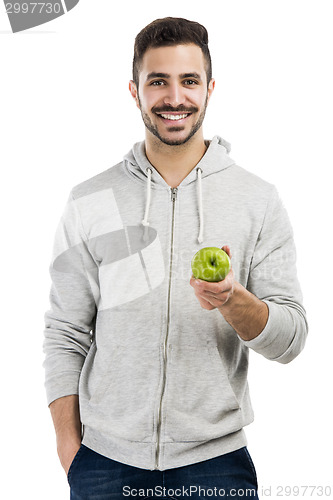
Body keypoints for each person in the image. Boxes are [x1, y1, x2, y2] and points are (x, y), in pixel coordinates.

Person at [43, 17, 308, 500]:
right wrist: (70, 449)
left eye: (189, 81)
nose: (174, 97)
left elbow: (290, 341)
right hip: (104, 463)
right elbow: (65, 331)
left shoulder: (257, 200)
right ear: (134, 90)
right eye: (157, 81)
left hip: (216, 464)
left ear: (209, 88)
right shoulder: (91, 199)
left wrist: (233, 301)